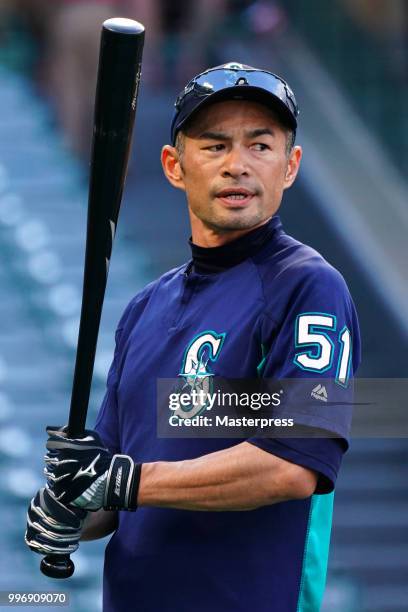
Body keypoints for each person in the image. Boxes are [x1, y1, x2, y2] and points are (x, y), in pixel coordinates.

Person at [26, 62, 361, 612]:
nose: (238, 165)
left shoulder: (307, 286)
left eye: (260, 145)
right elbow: (117, 485)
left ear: (290, 165)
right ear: (174, 166)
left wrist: (126, 482)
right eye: (214, 146)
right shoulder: (144, 308)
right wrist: (73, 507)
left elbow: (293, 464)